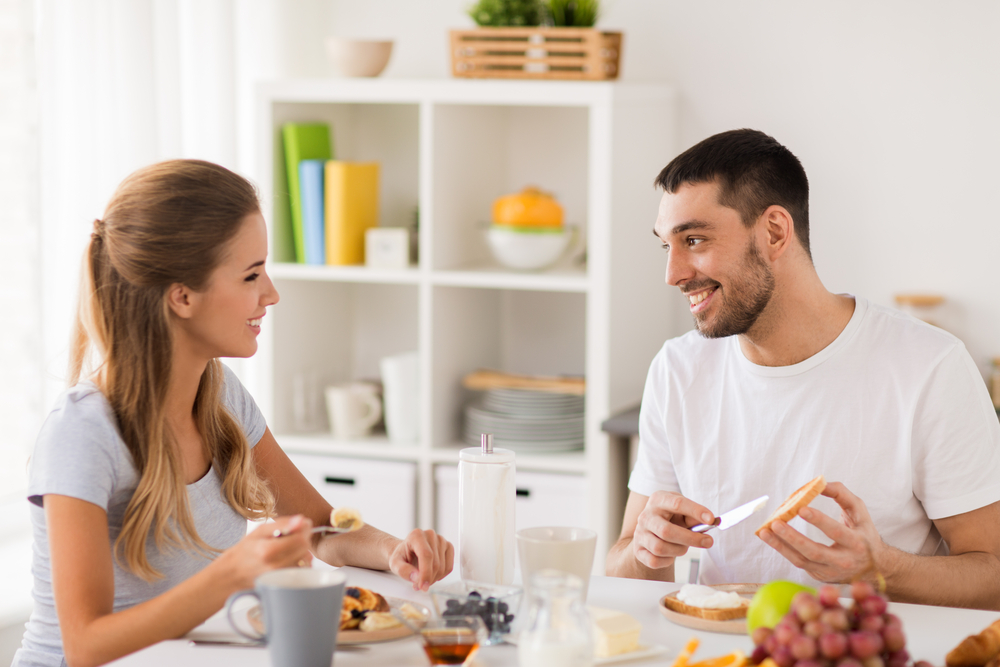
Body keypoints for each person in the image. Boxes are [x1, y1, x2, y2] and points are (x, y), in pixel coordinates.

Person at [13, 160, 454, 667]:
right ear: (182, 296)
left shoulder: (220, 396)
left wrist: (394, 551)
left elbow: (315, 526)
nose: (271, 294)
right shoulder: (84, 432)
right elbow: (86, 646)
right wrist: (233, 575)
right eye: (251, 275)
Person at [605, 129, 1000, 609]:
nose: (673, 273)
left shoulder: (929, 367)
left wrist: (882, 569)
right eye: (666, 246)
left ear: (774, 231)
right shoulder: (678, 370)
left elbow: (993, 573)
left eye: (694, 239)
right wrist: (647, 550)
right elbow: (625, 564)